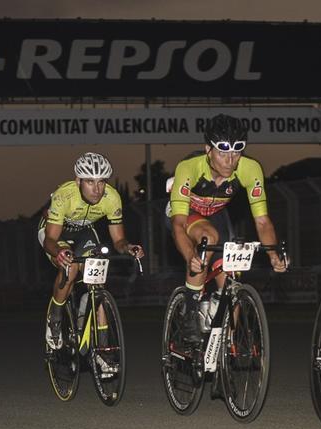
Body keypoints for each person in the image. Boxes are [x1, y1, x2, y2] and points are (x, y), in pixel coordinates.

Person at [166, 114, 287, 338]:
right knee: (208, 237)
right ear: (208, 150)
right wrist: (190, 255)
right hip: (185, 215)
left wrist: (272, 253)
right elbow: (178, 225)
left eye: (236, 152)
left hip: (216, 215)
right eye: (223, 153)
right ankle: (190, 315)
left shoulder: (250, 169)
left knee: (231, 280)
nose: (230, 161)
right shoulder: (189, 168)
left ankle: (224, 344)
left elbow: (262, 221)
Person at [39, 152, 143, 370]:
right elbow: (50, 239)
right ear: (78, 181)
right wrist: (58, 252)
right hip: (56, 234)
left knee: (98, 283)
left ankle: (102, 351)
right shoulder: (63, 196)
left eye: (102, 181)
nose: (97, 189)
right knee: (72, 267)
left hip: (84, 233)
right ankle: (55, 318)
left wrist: (128, 247)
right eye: (90, 182)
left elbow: (118, 239)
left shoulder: (112, 198)